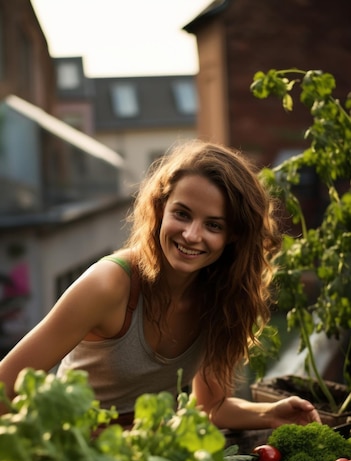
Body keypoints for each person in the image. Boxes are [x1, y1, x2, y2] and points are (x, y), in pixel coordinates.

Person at [0, 140, 320, 429]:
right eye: (182, 214)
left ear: (233, 236)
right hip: (77, 454)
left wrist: (270, 414)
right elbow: (5, 383)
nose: (192, 235)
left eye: (213, 225)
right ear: (160, 209)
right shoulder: (108, 285)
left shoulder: (220, 295)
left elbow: (212, 406)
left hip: (148, 453)